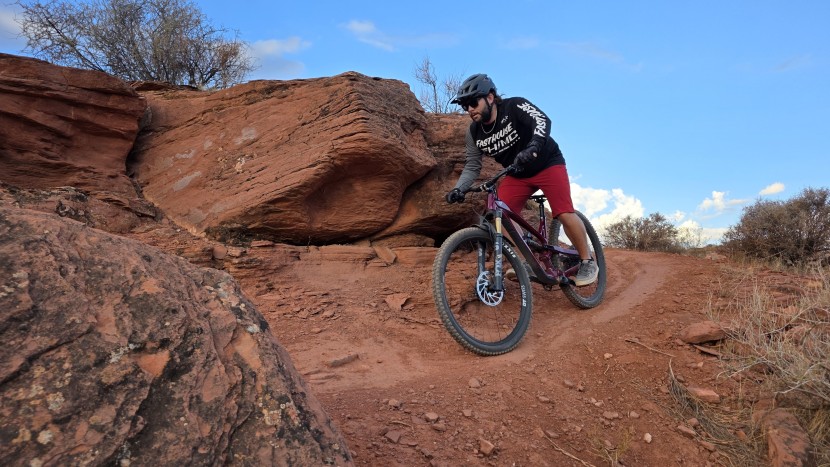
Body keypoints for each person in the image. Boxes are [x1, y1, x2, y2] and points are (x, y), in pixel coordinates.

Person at [444, 73, 598, 286]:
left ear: (490, 97)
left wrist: (534, 146)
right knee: (499, 217)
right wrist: (459, 188)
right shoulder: (474, 132)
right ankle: (531, 262)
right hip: (518, 174)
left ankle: (587, 260)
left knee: (562, 211)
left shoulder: (514, 106)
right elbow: (472, 165)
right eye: (464, 106)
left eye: (473, 102)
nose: (469, 109)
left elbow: (542, 120)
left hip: (547, 164)